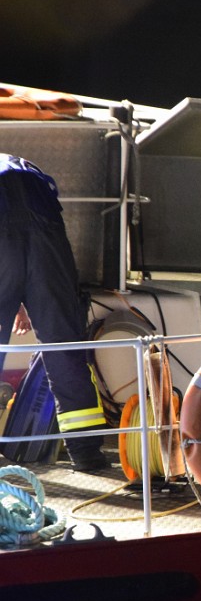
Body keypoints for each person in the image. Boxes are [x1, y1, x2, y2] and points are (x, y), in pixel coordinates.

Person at [0, 154, 109, 472]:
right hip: (46, 229)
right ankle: (86, 451)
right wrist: (26, 297)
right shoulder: (24, 166)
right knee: (63, 348)